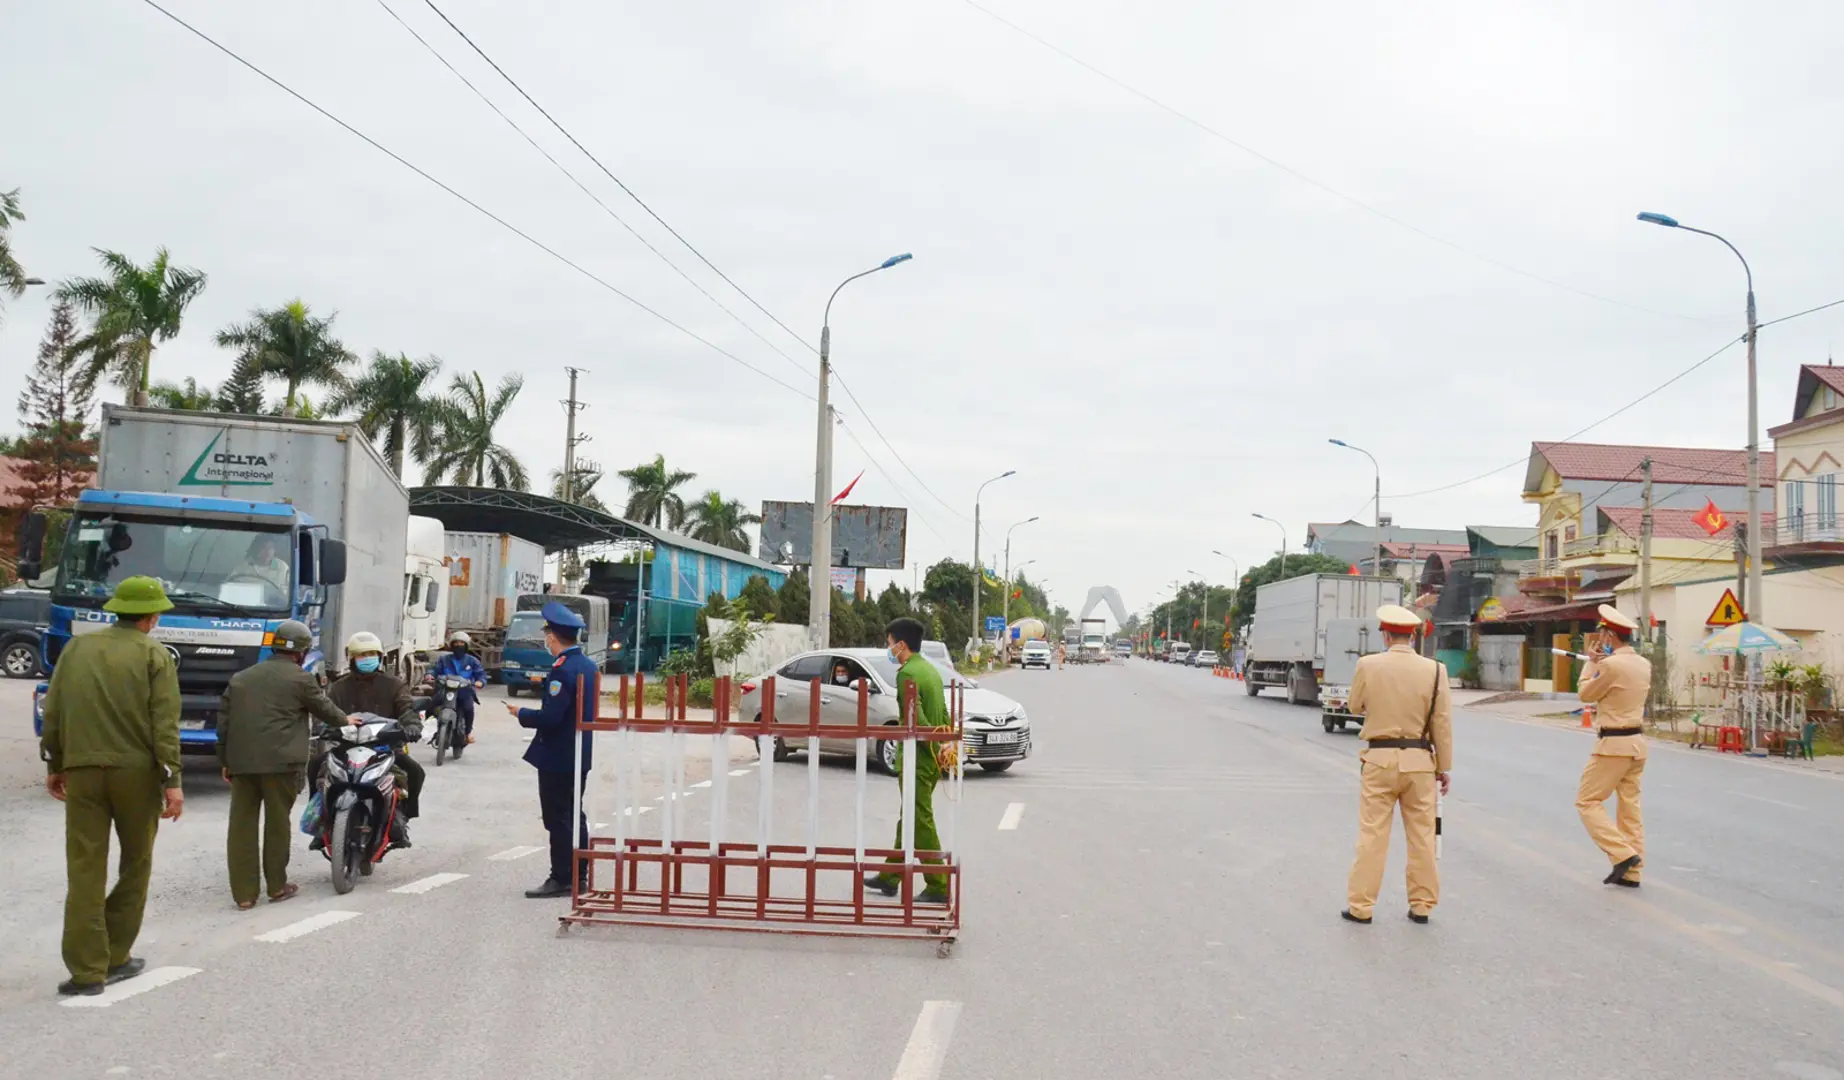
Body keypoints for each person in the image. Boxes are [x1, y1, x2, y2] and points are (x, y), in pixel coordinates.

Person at [39, 576, 184, 997]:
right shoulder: (154, 654)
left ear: (116, 609)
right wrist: (172, 780)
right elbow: (164, 725)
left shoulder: (77, 648)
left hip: (83, 771)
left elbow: (55, 709)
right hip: (136, 775)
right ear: (152, 616)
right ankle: (116, 955)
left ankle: (87, 971)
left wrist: (56, 762)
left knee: (84, 867)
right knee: (135, 862)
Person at [218, 619, 349, 909]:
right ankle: (276, 887)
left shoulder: (241, 678)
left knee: (241, 827)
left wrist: (225, 760)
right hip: (282, 765)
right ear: (302, 652)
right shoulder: (301, 679)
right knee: (277, 825)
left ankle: (244, 895)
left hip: (241, 764)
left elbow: (224, 724)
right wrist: (348, 721)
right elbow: (326, 710)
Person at [1342, 604, 1453, 926]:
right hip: (1420, 762)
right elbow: (1441, 722)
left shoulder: (1368, 664)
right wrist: (1443, 768)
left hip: (1379, 759)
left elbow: (1354, 705)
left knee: (1373, 834)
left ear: (1386, 634)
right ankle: (1421, 906)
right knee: (1422, 835)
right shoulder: (1435, 670)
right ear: (1414, 636)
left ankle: (1361, 907)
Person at [505, 601, 598, 898]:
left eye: (546, 635)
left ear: (553, 637)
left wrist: (521, 714)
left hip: (559, 756)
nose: (546, 640)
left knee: (557, 818)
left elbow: (551, 718)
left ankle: (561, 878)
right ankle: (579, 875)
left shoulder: (562, 671)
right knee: (574, 815)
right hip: (579, 753)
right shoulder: (589, 666)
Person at [864, 617, 951, 904]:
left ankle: (938, 884)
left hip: (917, 759)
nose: (888, 649)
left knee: (920, 821)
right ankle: (891, 876)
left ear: (901, 645)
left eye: (889, 644)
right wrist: (944, 743)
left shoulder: (906, 675)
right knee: (910, 818)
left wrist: (930, 748)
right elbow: (943, 713)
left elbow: (916, 720)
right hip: (931, 759)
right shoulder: (930, 671)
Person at [323, 631, 425, 846]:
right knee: (316, 767)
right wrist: (325, 727)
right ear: (351, 658)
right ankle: (320, 824)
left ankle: (402, 819)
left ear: (380, 657)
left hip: (384, 747)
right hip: (346, 747)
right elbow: (326, 712)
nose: (367, 659)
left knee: (415, 772)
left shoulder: (394, 685)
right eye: (362, 655)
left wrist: (412, 726)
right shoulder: (339, 687)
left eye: (372, 654)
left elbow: (406, 709)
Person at [1575, 604, 1650, 888]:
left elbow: (1585, 692)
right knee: (1629, 809)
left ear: (1609, 636)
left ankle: (1623, 855)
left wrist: (1592, 662)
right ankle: (1633, 871)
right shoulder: (1643, 663)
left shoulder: (1609, 665)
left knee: (1587, 801)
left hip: (1613, 745)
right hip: (1637, 744)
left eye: (1602, 634)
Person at [432, 630, 487, 746]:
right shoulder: (444, 659)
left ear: (466, 645)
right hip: (446, 691)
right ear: (452, 645)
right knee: (433, 705)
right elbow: (434, 670)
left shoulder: (472, 661)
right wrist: (429, 675)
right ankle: (439, 729)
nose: (458, 645)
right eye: (456, 643)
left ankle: (467, 734)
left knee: (468, 709)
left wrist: (480, 682)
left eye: (461, 643)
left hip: (464, 692)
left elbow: (481, 674)